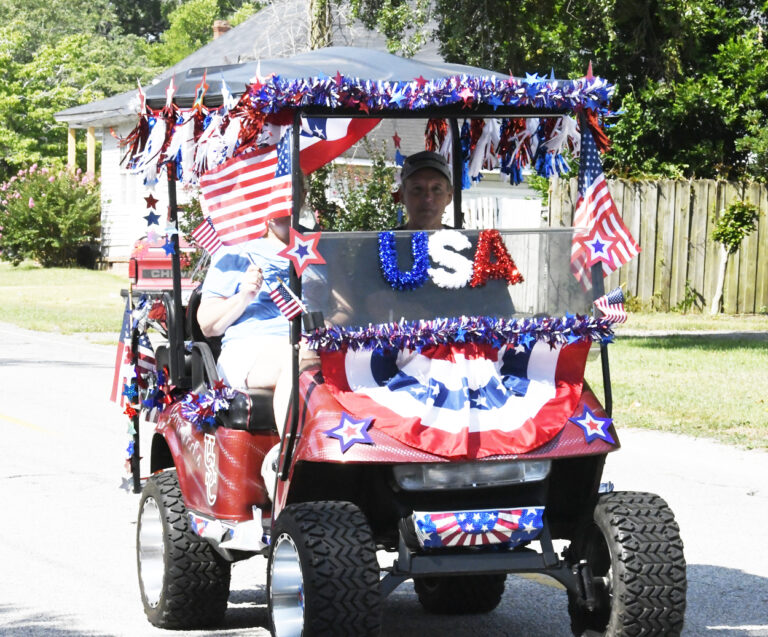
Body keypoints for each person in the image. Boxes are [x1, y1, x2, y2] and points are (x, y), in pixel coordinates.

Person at [197, 214, 299, 428]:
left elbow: (343, 311)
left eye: (293, 199)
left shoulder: (314, 250)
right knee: (297, 357)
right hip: (250, 347)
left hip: (307, 342)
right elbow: (207, 324)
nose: (288, 211)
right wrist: (244, 296)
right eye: (279, 204)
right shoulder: (236, 252)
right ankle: (291, 457)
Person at [398, 150, 454, 230]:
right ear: (402, 195)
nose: (427, 198)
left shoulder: (467, 241)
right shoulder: (382, 241)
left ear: (449, 196)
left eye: (436, 189)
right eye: (417, 189)